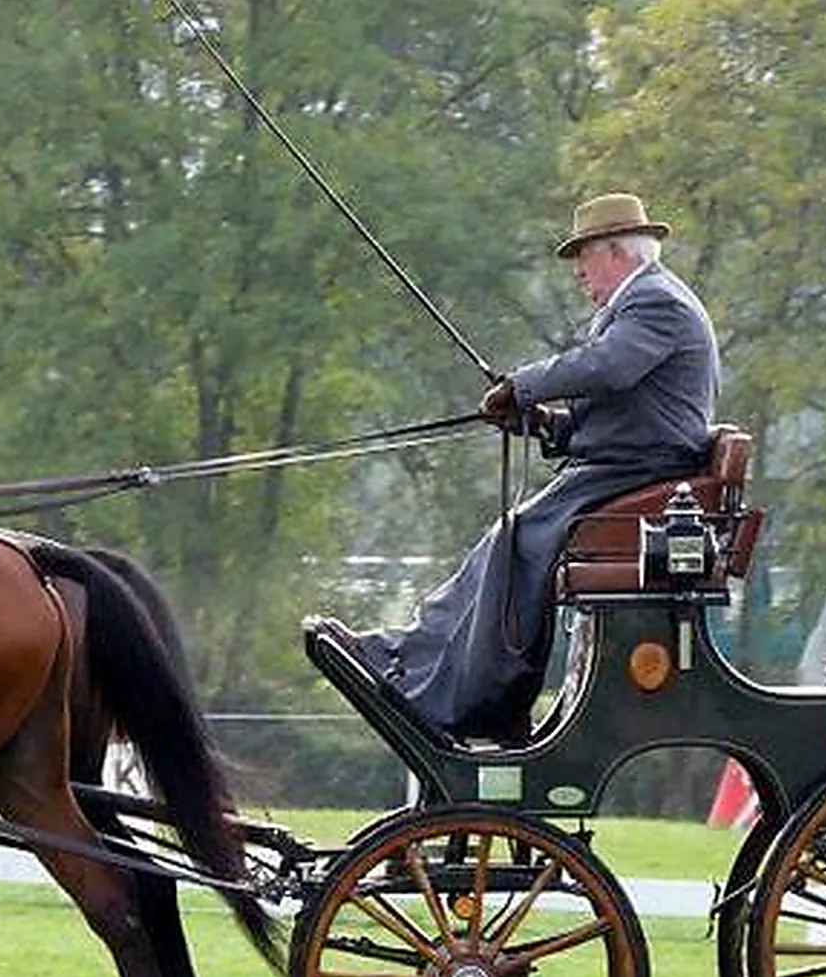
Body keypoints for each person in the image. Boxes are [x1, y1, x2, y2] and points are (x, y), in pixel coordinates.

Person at [309, 192, 721, 743]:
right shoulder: (637, 305)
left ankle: (466, 691)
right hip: (625, 465)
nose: (578, 271)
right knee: (506, 541)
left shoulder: (654, 301)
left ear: (618, 252)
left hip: (638, 472)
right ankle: (417, 664)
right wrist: (538, 420)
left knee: (514, 541)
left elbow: (607, 368)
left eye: (584, 255)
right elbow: (605, 410)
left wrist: (521, 387)